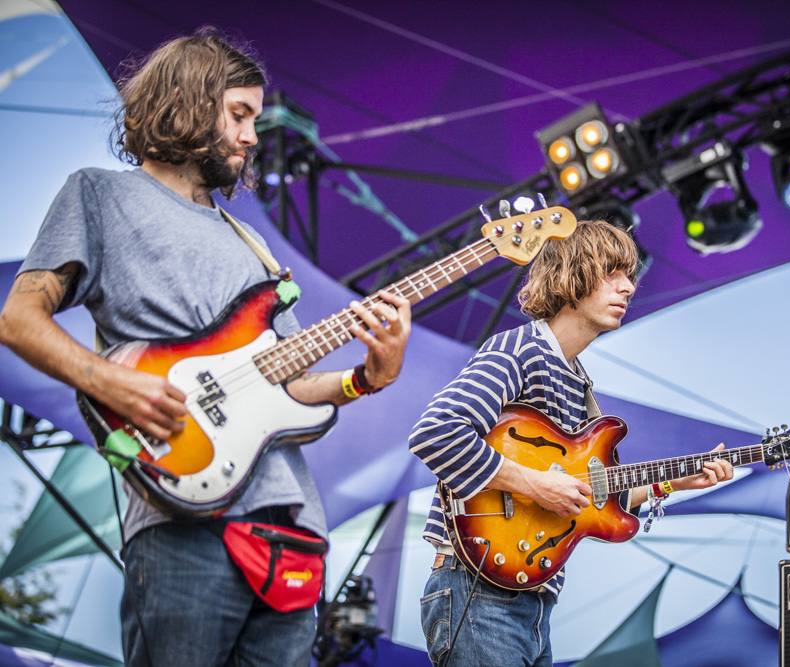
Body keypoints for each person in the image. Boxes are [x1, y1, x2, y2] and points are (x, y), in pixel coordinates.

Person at [0, 28, 411, 667]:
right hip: (182, 516)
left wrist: (366, 377)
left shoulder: (253, 243)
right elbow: (20, 318)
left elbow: (290, 383)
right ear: (187, 102)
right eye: (239, 114)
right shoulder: (100, 194)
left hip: (293, 525)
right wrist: (107, 381)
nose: (251, 137)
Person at [408, 219, 734, 667]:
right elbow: (438, 432)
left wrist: (673, 483)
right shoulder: (517, 350)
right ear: (572, 275)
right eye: (612, 273)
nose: (628, 288)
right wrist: (534, 484)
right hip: (476, 592)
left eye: (630, 276)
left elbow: (588, 499)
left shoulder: (579, 384)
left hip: (532, 604)